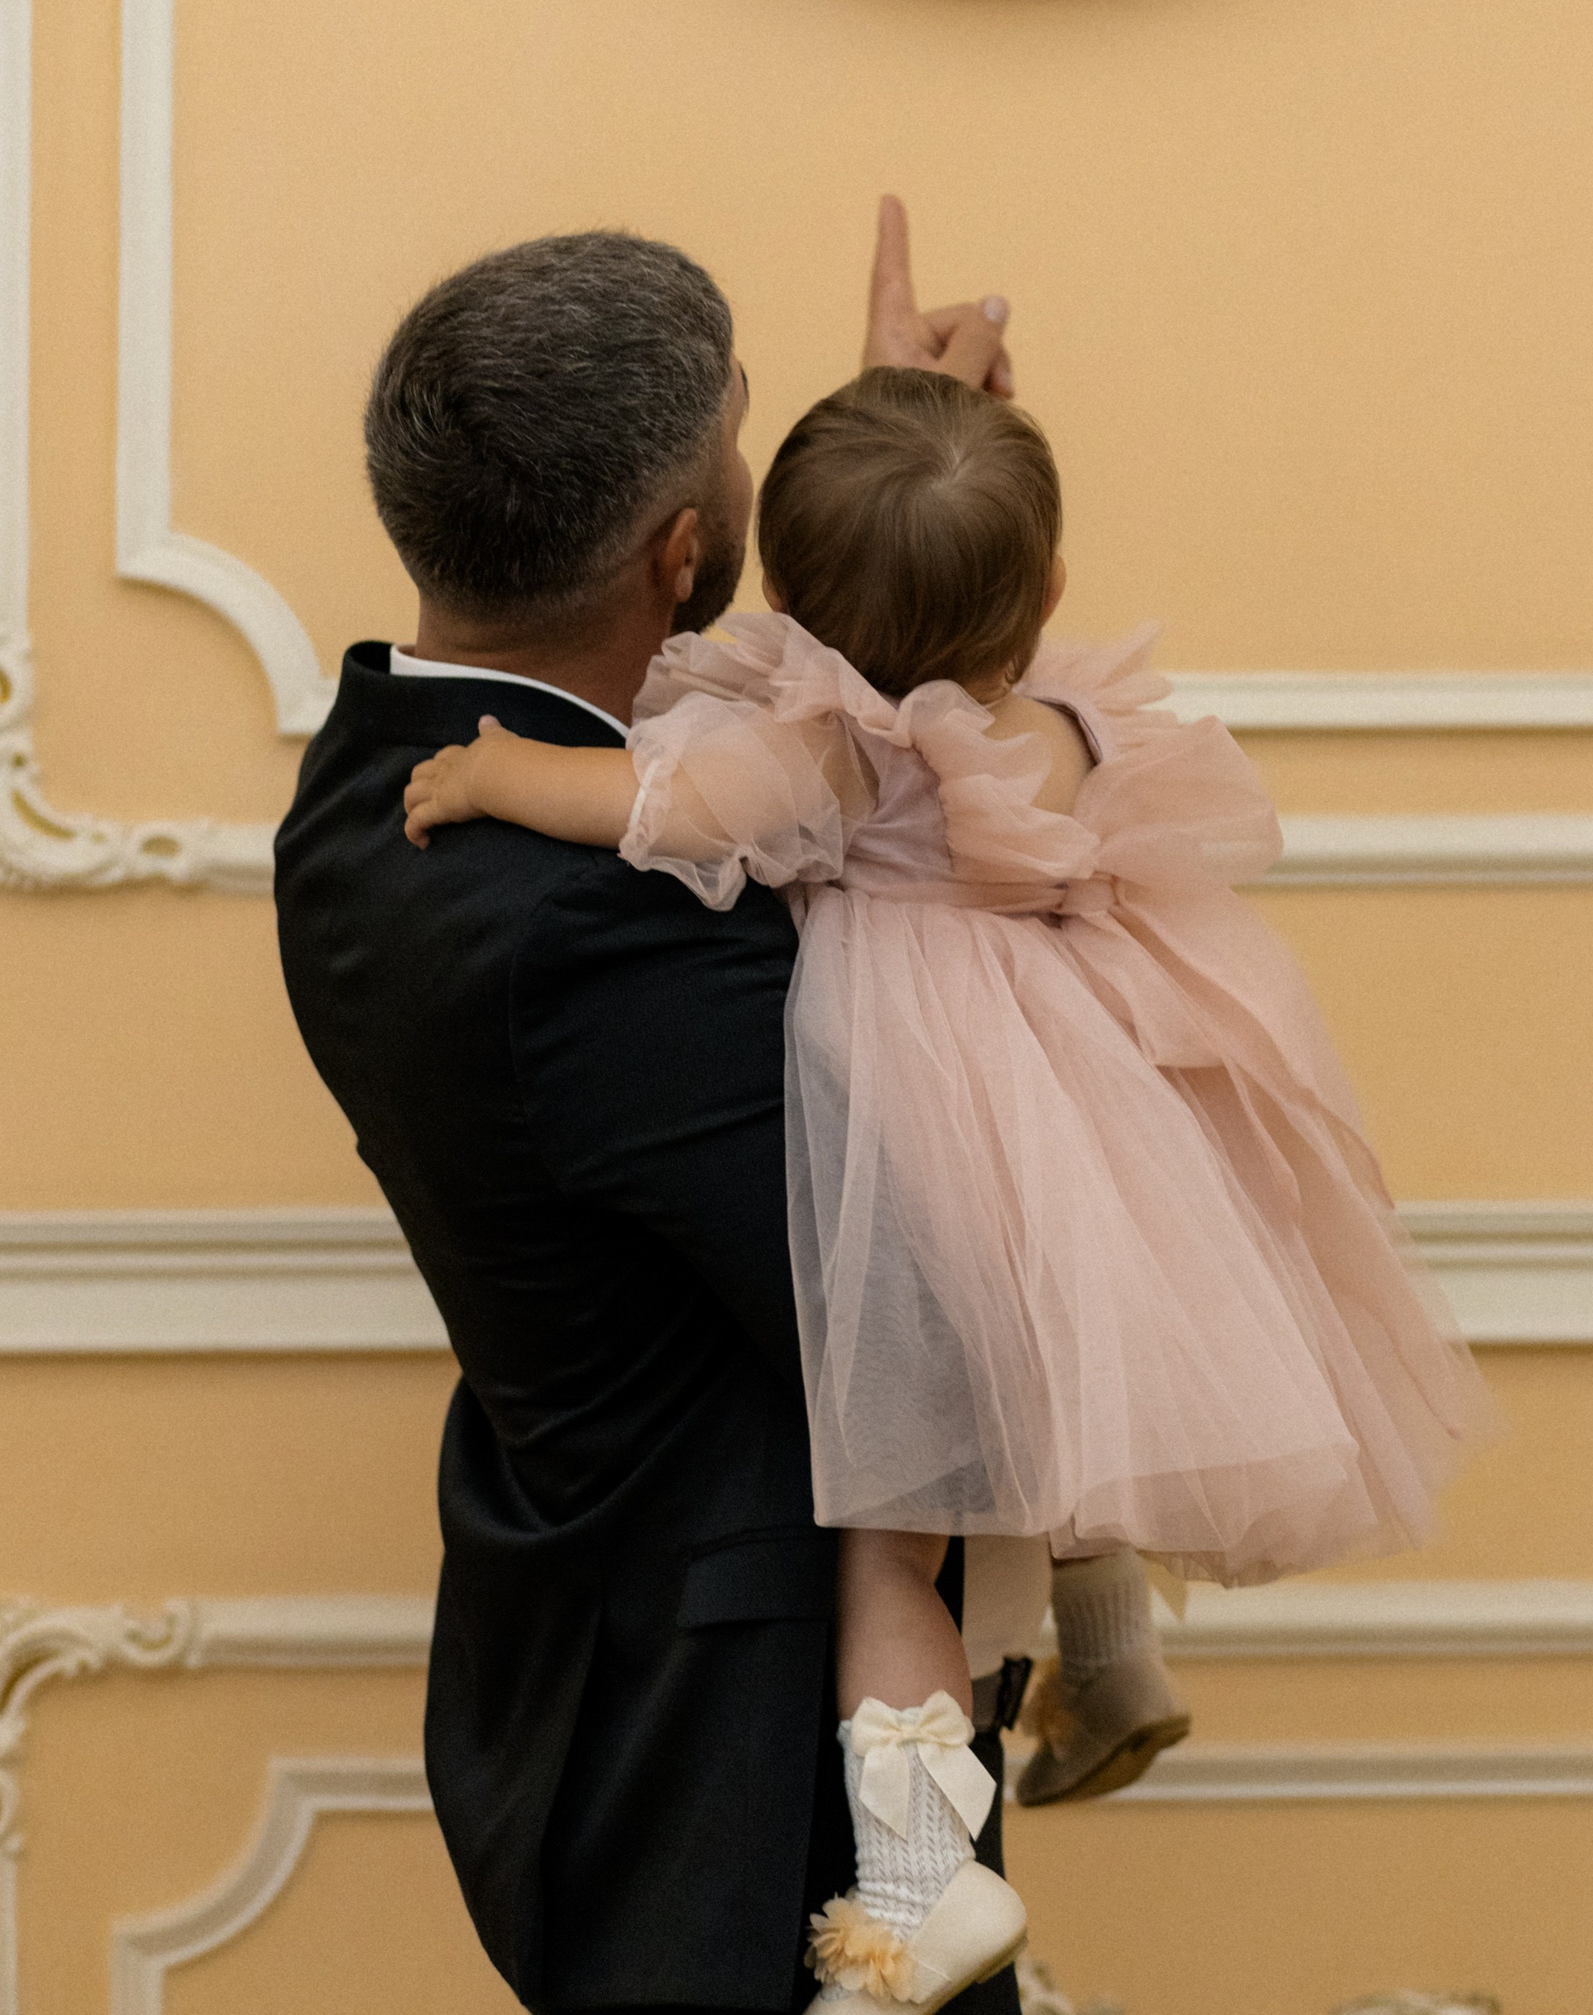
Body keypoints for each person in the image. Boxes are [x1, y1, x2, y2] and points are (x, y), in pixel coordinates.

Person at [402, 367, 1498, 2012]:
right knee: (1073, 1399)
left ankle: (921, 1888)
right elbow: (942, 627)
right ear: (1045, 594)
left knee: (890, 1562)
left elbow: (656, 801)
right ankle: (1110, 1657)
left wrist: (493, 775)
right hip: (1089, 1127)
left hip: (916, 1137)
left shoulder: (829, 749)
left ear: (785, 598)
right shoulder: (1068, 726)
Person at [273, 209, 1033, 2015]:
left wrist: (896, 477)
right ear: (685, 548)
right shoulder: (598, 930)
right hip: (726, 1759)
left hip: (588, 1654)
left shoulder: (376, 783)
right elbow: (925, 1320)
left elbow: (715, 759)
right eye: (749, 442)